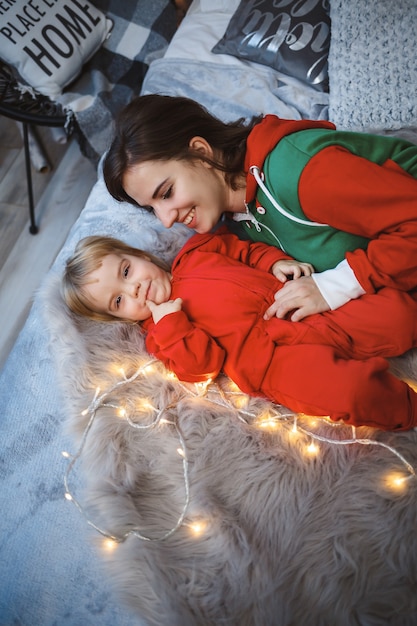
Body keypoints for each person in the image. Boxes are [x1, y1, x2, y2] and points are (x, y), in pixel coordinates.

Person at [63, 227, 417, 431]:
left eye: (126, 273)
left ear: (140, 256)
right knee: (351, 392)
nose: (134, 290)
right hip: (278, 365)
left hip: (295, 305)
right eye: (119, 301)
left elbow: (243, 251)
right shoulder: (160, 335)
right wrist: (171, 323)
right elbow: (201, 367)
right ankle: (409, 410)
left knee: (396, 316)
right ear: (120, 318)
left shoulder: (196, 253)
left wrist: (274, 262)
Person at [102, 94, 417, 323]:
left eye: (167, 193)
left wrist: (334, 287)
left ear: (200, 152)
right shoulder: (234, 221)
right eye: (152, 209)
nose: (167, 220)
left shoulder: (299, 173)